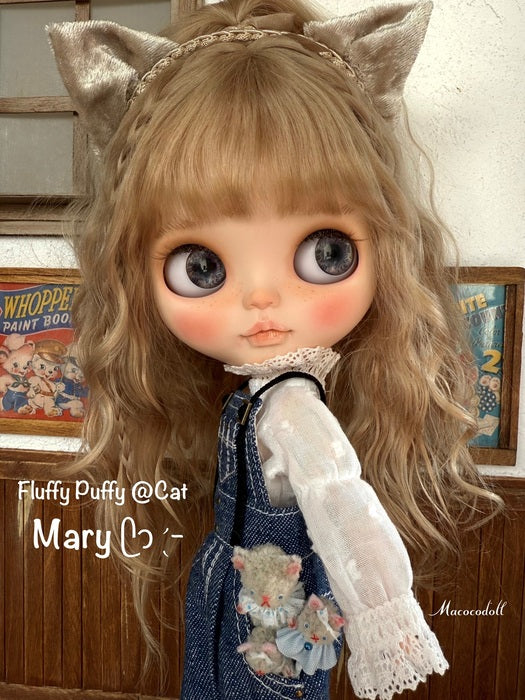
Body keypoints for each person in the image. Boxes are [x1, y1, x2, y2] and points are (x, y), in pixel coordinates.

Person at [48, 1, 500, 697]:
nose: (261, 299)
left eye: (326, 253)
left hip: (277, 607)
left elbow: (344, 507)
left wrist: (384, 620)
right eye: (202, 266)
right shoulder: (258, 393)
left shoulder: (294, 409)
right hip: (237, 586)